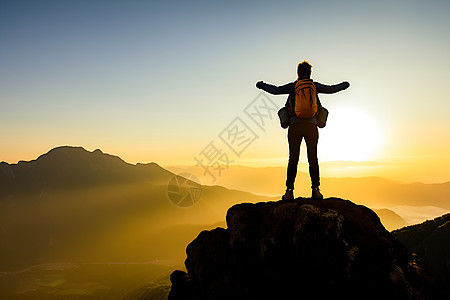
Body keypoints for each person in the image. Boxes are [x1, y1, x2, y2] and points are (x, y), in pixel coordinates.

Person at [256, 60, 349, 200]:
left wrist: (261, 85)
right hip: (311, 126)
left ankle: (289, 191)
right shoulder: (314, 86)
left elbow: (275, 90)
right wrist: (344, 85)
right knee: (313, 158)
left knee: (293, 159)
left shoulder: (293, 86)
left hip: (295, 126)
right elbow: (331, 89)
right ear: (310, 72)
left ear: (298, 72)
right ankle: (316, 190)